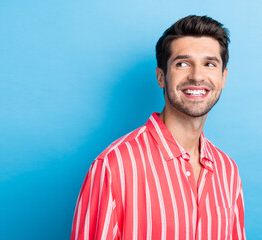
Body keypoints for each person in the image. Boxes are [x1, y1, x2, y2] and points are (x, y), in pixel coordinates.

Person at [71, 15, 245, 240]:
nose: (197, 76)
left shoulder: (228, 171)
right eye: (182, 64)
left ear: (223, 78)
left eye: (209, 64)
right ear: (161, 76)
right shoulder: (114, 167)